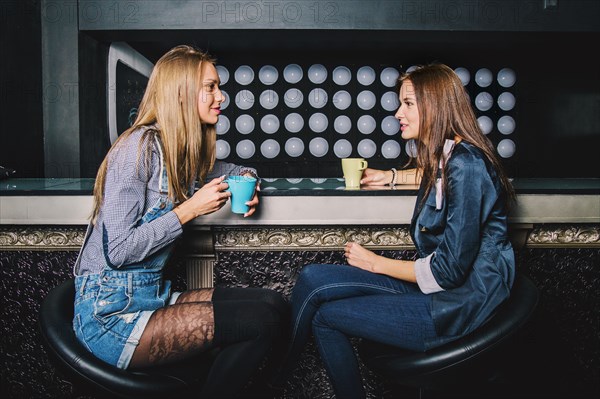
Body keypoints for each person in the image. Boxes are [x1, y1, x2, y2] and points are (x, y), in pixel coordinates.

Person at [272, 63, 516, 398]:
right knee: (313, 277)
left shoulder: (468, 165)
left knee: (326, 318)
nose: (398, 112)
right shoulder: (450, 157)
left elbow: (448, 272)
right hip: (441, 293)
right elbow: (436, 175)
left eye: (408, 104)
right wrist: (388, 176)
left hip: (457, 306)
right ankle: (278, 373)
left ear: (435, 106)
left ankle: (277, 379)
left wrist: (374, 262)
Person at [72, 45, 288, 397]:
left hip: (151, 298)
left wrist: (249, 185)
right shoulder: (137, 148)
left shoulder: (180, 151)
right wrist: (190, 209)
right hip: (110, 315)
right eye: (211, 87)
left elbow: (238, 169)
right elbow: (119, 251)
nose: (222, 96)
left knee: (273, 304)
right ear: (181, 93)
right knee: (260, 322)